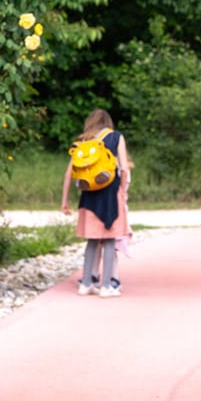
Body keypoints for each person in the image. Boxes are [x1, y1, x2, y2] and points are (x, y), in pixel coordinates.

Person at [61, 108, 131, 297]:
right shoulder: (116, 137)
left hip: (89, 195)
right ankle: (106, 286)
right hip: (110, 194)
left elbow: (69, 173)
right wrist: (122, 191)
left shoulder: (84, 141)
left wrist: (64, 200)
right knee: (109, 238)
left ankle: (86, 284)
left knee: (92, 239)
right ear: (108, 122)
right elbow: (124, 168)